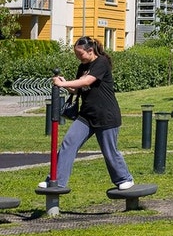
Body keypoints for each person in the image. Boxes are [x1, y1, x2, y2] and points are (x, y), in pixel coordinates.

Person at [44, 37, 135, 191]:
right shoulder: (83, 66)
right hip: (86, 116)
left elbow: (87, 81)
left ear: (90, 51)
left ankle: (124, 178)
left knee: (109, 151)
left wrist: (63, 83)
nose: (78, 57)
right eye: (76, 54)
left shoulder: (101, 63)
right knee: (68, 143)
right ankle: (57, 180)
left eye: (80, 54)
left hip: (105, 115)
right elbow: (78, 88)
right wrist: (65, 83)